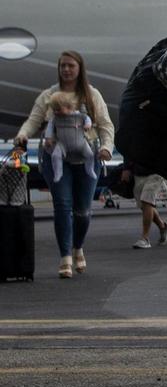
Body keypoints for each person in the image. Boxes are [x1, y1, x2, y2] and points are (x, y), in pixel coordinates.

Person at [14, 51, 114, 279]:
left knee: (83, 211)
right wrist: (22, 135)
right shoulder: (50, 94)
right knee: (62, 206)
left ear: (80, 69)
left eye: (70, 66)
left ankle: (78, 247)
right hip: (56, 155)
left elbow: (106, 125)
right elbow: (34, 120)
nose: (66, 70)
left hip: (87, 155)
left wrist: (107, 146)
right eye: (62, 66)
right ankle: (65, 258)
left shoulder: (92, 95)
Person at [43, 92, 96, 183]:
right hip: (62, 144)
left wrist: (88, 125)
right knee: (55, 156)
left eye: (58, 109)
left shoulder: (79, 115)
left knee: (90, 155)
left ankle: (90, 169)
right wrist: (48, 138)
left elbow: (87, 119)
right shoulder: (55, 118)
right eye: (54, 110)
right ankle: (58, 172)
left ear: (69, 107)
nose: (56, 112)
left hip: (80, 143)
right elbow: (50, 127)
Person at [120, 162, 167, 249]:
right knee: (144, 205)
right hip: (138, 173)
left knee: (146, 201)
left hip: (156, 172)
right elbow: (129, 150)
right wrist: (126, 169)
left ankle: (145, 239)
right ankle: (163, 226)